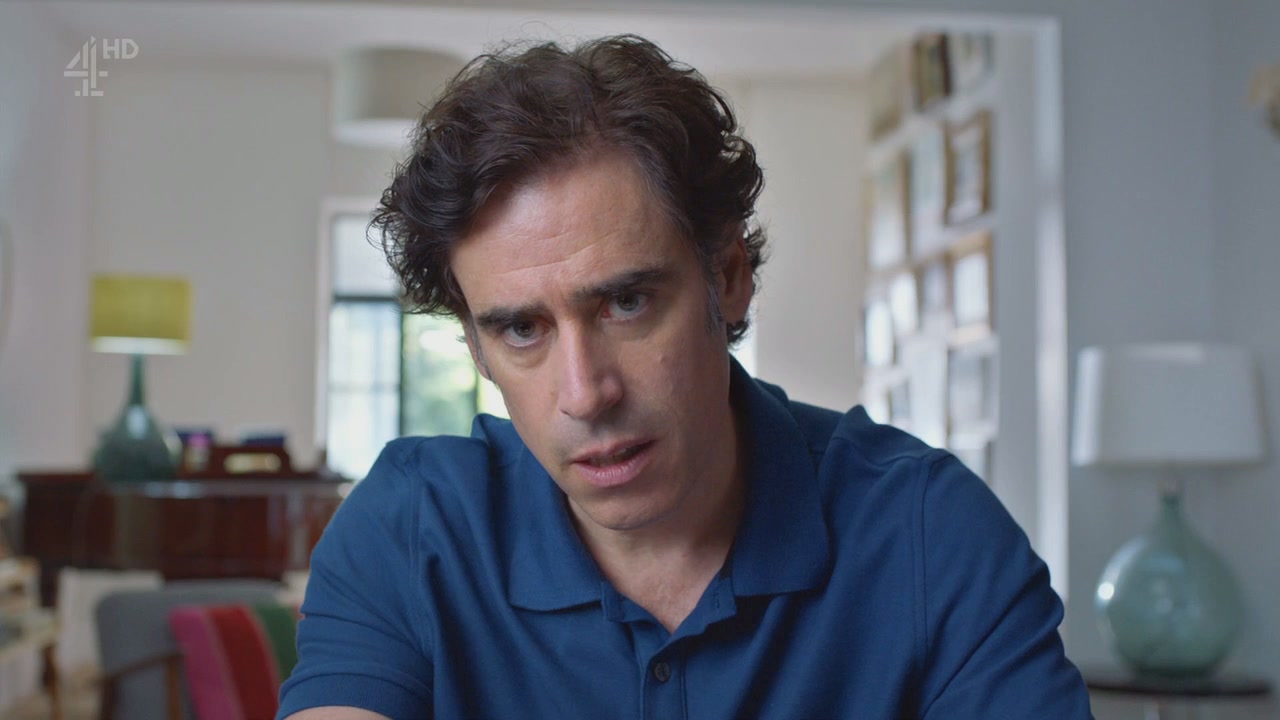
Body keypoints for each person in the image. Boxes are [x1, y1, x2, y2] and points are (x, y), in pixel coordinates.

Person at [278, 35, 1092, 720]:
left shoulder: (929, 534)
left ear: (728, 277)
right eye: (521, 329)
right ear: (474, 346)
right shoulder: (409, 530)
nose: (585, 393)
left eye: (627, 302)